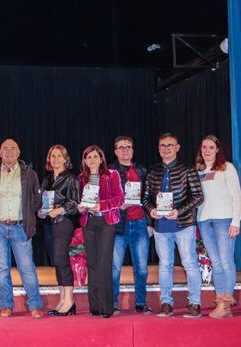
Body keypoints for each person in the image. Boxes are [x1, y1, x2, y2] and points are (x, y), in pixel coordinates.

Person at [142, 133, 204, 318]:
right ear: (158, 148)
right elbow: (145, 198)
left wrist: (179, 211)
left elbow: (198, 196)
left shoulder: (188, 170)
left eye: (170, 145)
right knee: (165, 265)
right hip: (161, 226)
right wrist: (151, 209)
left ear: (177, 147)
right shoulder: (153, 172)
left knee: (190, 264)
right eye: (162, 145)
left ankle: (195, 303)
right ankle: (166, 303)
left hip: (183, 225)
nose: (166, 149)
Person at [0, 139, 44, 318]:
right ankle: (6, 305)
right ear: (0, 153)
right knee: (1, 269)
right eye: (5, 149)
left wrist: (30, 218)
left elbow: (36, 200)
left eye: (13, 149)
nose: (9, 152)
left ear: (19, 153)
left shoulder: (30, 174)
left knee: (27, 268)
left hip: (20, 227)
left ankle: (34, 305)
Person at [195, 134, 241, 318]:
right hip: (205, 221)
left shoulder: (227, 168)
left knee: (225, 261)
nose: (207, 151)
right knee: (215, 262)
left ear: (217, 150)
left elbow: (237, 197)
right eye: (204, 147)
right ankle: (221, 302)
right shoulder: (198, 170)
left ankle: (225, 302)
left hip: (224, 220)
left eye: (210, 147)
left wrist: (235, 221)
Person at [77, 145, 124, 319]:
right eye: (88, 157)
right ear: (84, 160)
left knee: (104, 263)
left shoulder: (112, 175)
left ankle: (106, 307)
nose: (92, 160)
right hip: (89, 222)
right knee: (92, 263)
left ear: (101, 158)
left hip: (106, 222)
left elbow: (120, 198)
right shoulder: (81, 178)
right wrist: (80, 207)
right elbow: (78, 200)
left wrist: (101, 205)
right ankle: (94, 306)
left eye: (95, 156)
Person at [108, 136, 152, 314]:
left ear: (133, 149)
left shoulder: (141, 170)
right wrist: (117, 205)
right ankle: (112, 303)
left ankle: (141, 302)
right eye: (121, 147)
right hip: (119, 225)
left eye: (129, 147)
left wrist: (150, 222)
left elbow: (149, 197)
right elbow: (104, 197)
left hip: (140, 223)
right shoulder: (110, 171)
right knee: (114, 267)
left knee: (141, 267)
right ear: (116, 151)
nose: (125, 150)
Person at [38, 145, 79, 316]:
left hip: (63, 222)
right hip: (48, 223)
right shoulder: (47, 179)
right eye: (52, 156)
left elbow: (74, 203)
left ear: (65, 159)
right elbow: (43, 201)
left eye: (59, 156)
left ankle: (70, 300)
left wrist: (60, 210)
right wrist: (41, 210)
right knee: (56, 260)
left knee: (62, 260)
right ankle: (62, 299)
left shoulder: (71, 178)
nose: (55, 159)